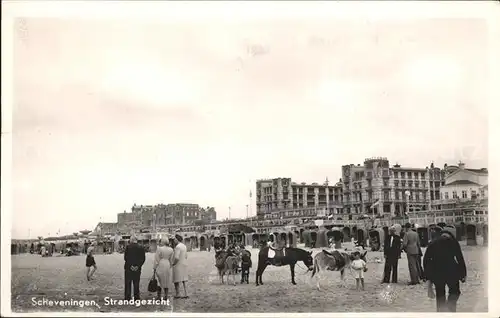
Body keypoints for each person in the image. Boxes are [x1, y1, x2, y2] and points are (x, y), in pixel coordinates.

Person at [424, 229, 467, 312]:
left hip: (437, 272)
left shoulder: (433, 242)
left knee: (440, 294)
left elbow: (426, 260)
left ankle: (441, 311)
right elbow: (460, 258)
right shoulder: (453, 242)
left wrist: (428, 275)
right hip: (452, 271)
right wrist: (463, 274)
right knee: (455, 291)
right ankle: (450, 308)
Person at [124, 236, 146, 300]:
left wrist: (131, 266)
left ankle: (127, 297)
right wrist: (138, 266)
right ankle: (136, 297)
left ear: (131, 240)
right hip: (137, 269)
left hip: (128, 268)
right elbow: (143, 258)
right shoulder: (141, 247)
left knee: (128, 282)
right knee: (136, 282)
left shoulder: (128, 247)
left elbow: (126, 258)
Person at [172, 234, 189, 299]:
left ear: (177, 239)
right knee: (184, 279)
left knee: (176, 279)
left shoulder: (177, 247)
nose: (174, 240)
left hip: (178, 265)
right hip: (184, 263)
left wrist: (173, 263)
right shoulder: (184, 246)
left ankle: (178, 293)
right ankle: (186, 293)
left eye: (174, 239)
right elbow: (186, 256)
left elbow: (176, 257)